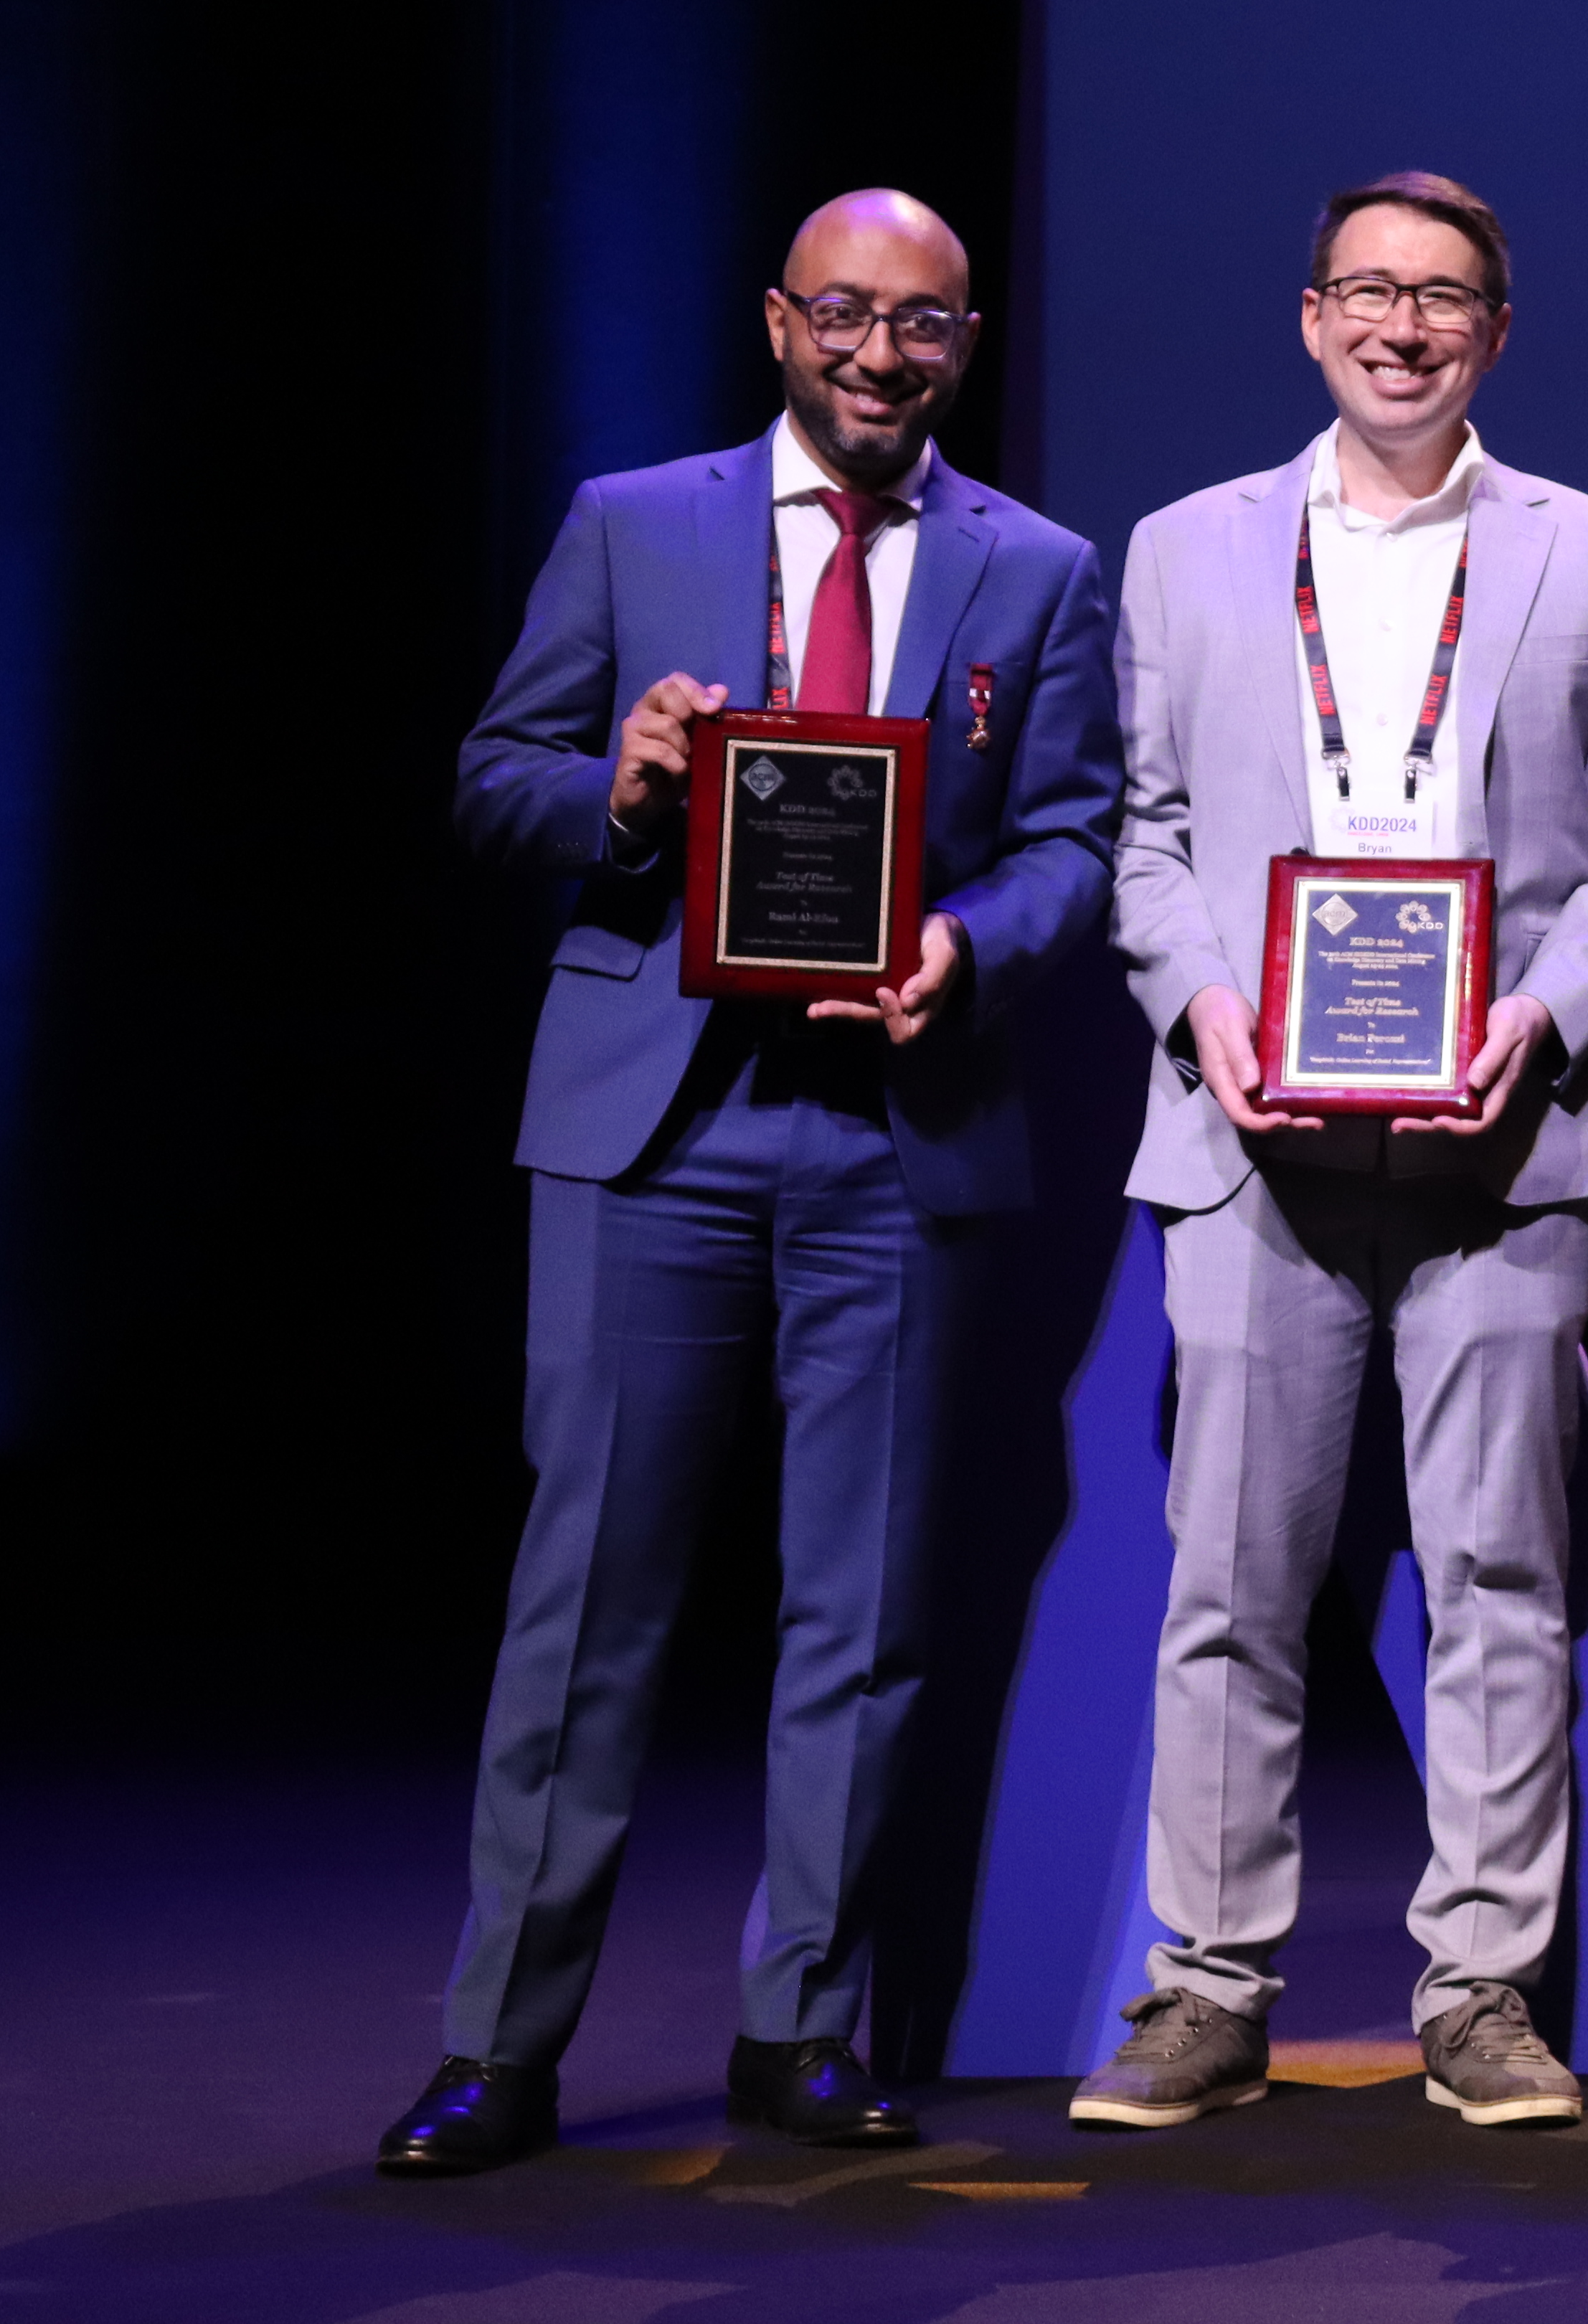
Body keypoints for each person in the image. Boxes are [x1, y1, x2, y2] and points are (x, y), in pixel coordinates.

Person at [389, 189, 1125, 2174]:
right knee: (587, 1607)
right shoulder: (640, 520)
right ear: (780, 324)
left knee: (863, 1615)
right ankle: (502, 2047)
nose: (883, 357)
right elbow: (493, 776)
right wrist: (619, 784)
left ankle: (802, 2024)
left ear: (965, 346)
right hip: (655, 1130)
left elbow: (1073, 840)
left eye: (926, 329)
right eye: (848, 318)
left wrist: (967, 942)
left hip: (894, 1138)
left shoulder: (1036, 571)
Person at [1079, 171, 1588, 2132]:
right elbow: (1149, 840)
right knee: (1231, 1584)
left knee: (1501, 1577)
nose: (1404, 326)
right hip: (1253, 1134)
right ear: (1309, 318)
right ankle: (1206, 1987)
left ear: (1496, 334)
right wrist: (1207, 1012)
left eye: (1444, 299)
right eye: (1369, 291)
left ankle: (1484, 1988)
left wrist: (1548, 1014)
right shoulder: (1185, 551)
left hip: (1501, 1141)